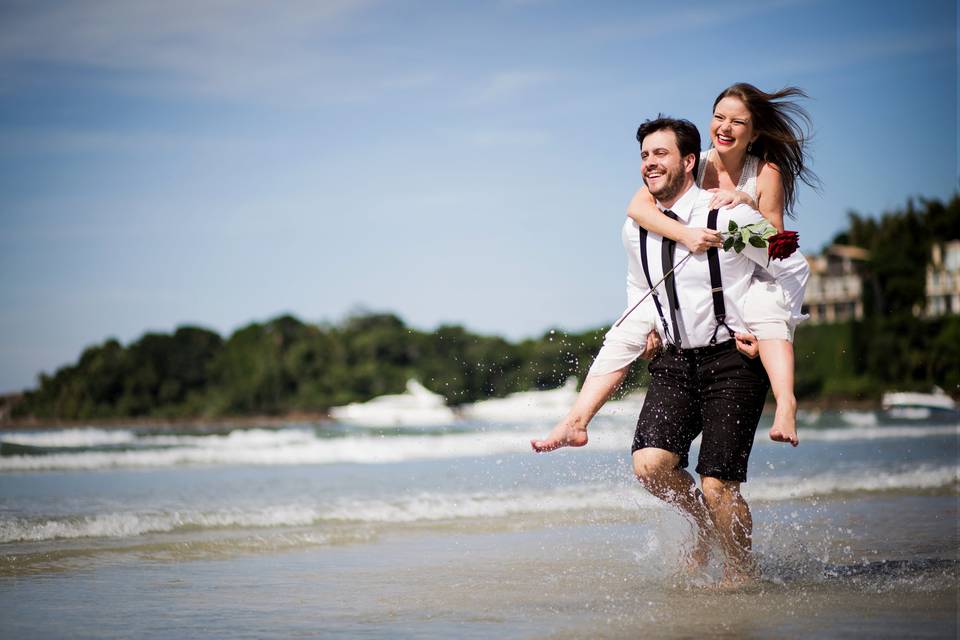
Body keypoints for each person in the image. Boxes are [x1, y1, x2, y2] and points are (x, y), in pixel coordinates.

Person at [534, 116, 810, 585]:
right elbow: (638, 304)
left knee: (719, 484)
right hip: (675, 359)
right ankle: (702, 527)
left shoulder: (729, 214)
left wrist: (770, 320)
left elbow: (788, 264)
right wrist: (585, 411)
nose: (649, 163)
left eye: (660, 154)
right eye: (644, 156)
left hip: (733, 360)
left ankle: (741, 575)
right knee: (650, 465)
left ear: (688, 161)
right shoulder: (634, 231)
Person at [626, 83, 817, 447]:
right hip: (707, 271)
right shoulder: (695, 162)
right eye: (718, 118)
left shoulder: (766, 171)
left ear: (754, 132)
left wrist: (745, 198)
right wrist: (685, 236)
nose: (725, 128)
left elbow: (773, 239)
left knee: (768, 313)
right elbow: (638, 209)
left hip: (757, 275)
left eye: (737, 122)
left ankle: (786, 405)